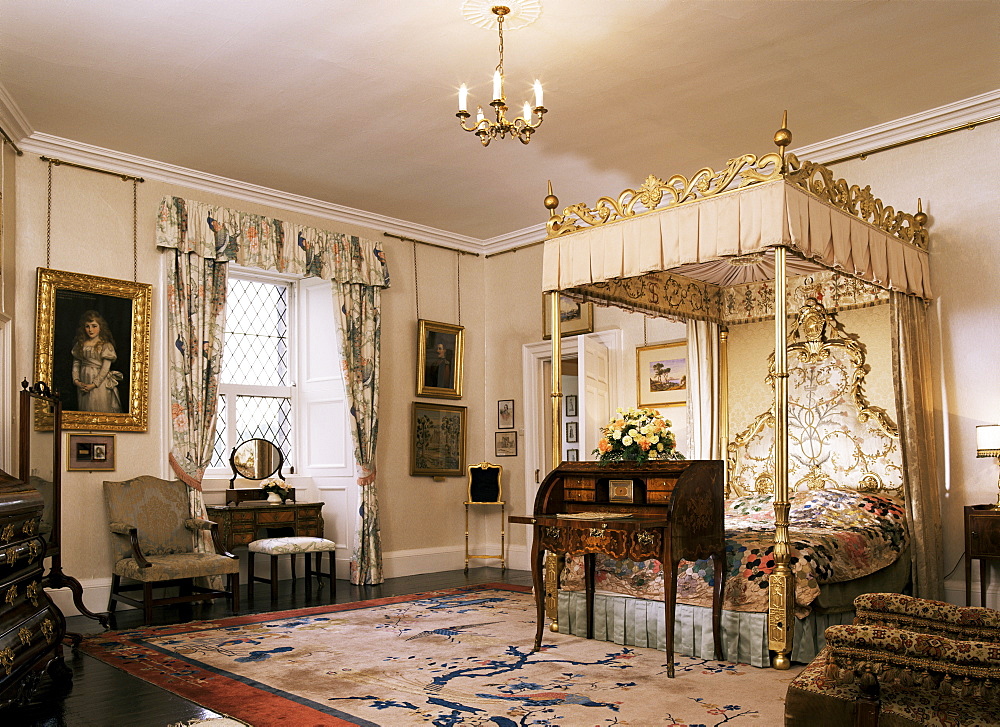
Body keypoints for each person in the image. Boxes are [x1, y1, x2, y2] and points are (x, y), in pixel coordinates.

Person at [71, 310, 123, 413]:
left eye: (94, 326)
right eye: (87, 326)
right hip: (83, 381)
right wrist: (76, 381)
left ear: (100, 327)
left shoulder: (106, 345)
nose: (90, 330)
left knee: (100, 407)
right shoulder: (80, 344)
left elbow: (105, 368)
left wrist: (93, 385)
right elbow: (76, 364)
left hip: (100, 382)